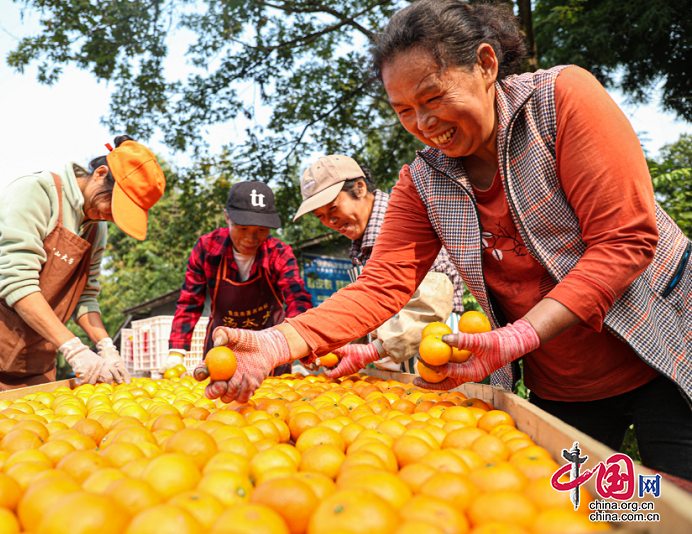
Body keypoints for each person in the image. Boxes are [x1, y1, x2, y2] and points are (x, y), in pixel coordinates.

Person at [196, 0, 692, 481]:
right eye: (405, 110)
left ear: (485, 63)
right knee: (595, 507)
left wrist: (518, 335)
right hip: (563, 382)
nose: (424, 123)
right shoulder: (424, 183)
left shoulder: (560, 102)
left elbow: (624, 239)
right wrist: (275, 344)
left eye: (433, 97)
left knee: (677, 503)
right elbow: (380, 285)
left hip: (663, 345)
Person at [0, 136, 166, 411]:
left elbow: (84, 298)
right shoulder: (35, 192)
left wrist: (106, 346)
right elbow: (18, 282)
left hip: (31, 349)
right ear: (100, 174)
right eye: (114, 205)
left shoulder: (97, 227)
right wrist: (75, 349)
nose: (112, 216)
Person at [293, 154, 461, 374]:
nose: (330, 222)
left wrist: (373, 351)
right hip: (396, 364)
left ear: (360, 188)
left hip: (434, 355)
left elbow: (429, 304)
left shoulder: (404, 221)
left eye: (333, 208)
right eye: (320, 216)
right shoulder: (361, 243)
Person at [165, 181, 313, 376]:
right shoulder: (207, 249)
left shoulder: (278, 253)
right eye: (242, 228)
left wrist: (301, 344)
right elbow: (190, 301)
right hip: (221, 351)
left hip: (271, 350)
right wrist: (176, 352)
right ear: (227, 217)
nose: (251, 238)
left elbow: (297, 299)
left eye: (261, 230)